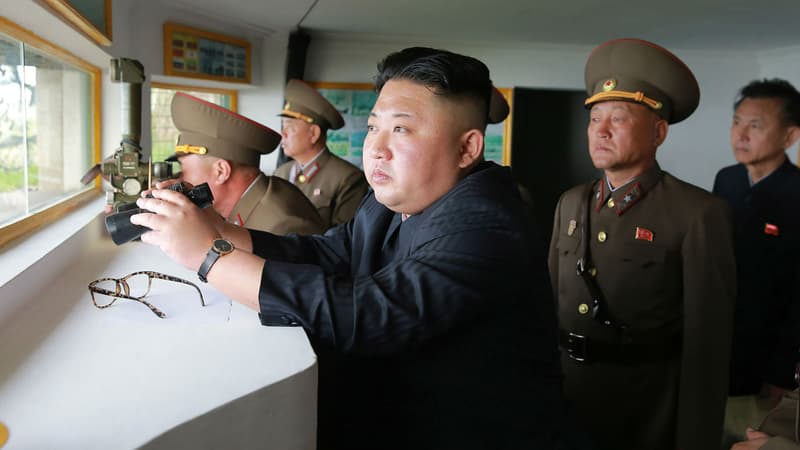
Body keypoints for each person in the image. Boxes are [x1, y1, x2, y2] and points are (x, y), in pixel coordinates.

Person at [131, 47, 576, 450]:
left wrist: (210, 258)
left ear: (467, 148)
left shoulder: (486, 224)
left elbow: (368, 314)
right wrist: (217, 230)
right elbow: (327, 253)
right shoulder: (392, 201)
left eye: (402, 129)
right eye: (374, 128)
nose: (376, 149)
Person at [548, 38, 736, 450]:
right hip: (567, 397)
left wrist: (695, 438)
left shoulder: (696, 212)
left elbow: (708, 344)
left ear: (658, 132)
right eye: (595, 118)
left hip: (646, 408)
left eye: (617, 118)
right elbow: (548, 308)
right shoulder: (571, 202)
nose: (601, 130)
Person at [713, 79, 800, 445]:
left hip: (768, 356)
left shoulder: (796, 193)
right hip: (721, 341)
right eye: (737, 122)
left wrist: (780, 372)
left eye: (756, 125)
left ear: (789, 136)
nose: (741, 134)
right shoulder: (728, 179)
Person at [164, 92, 325, 235]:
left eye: (183, 169)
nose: (180, 180)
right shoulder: (249, 204)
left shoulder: (281, 227)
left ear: (221, 171)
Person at [273, 79, 369, 229]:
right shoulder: (281, 173)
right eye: (283, 127)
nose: (282, 134)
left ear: (314, 134)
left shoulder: (348, 178)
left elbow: (342, 239)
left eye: (289, 128)